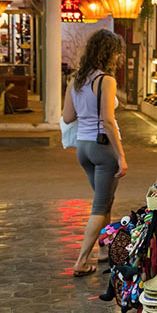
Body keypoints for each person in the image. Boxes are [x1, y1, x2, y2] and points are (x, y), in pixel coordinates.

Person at [61, 29, 127, 277]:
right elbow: (108, 121)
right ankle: (80, 261)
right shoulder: (106, 81)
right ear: (110, 54)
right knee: (100, 206)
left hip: (84, 148)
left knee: (105, 200)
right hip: (102, 149)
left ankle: (103, 251)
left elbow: (68, 117)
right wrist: (121, 156)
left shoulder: (76, 79)